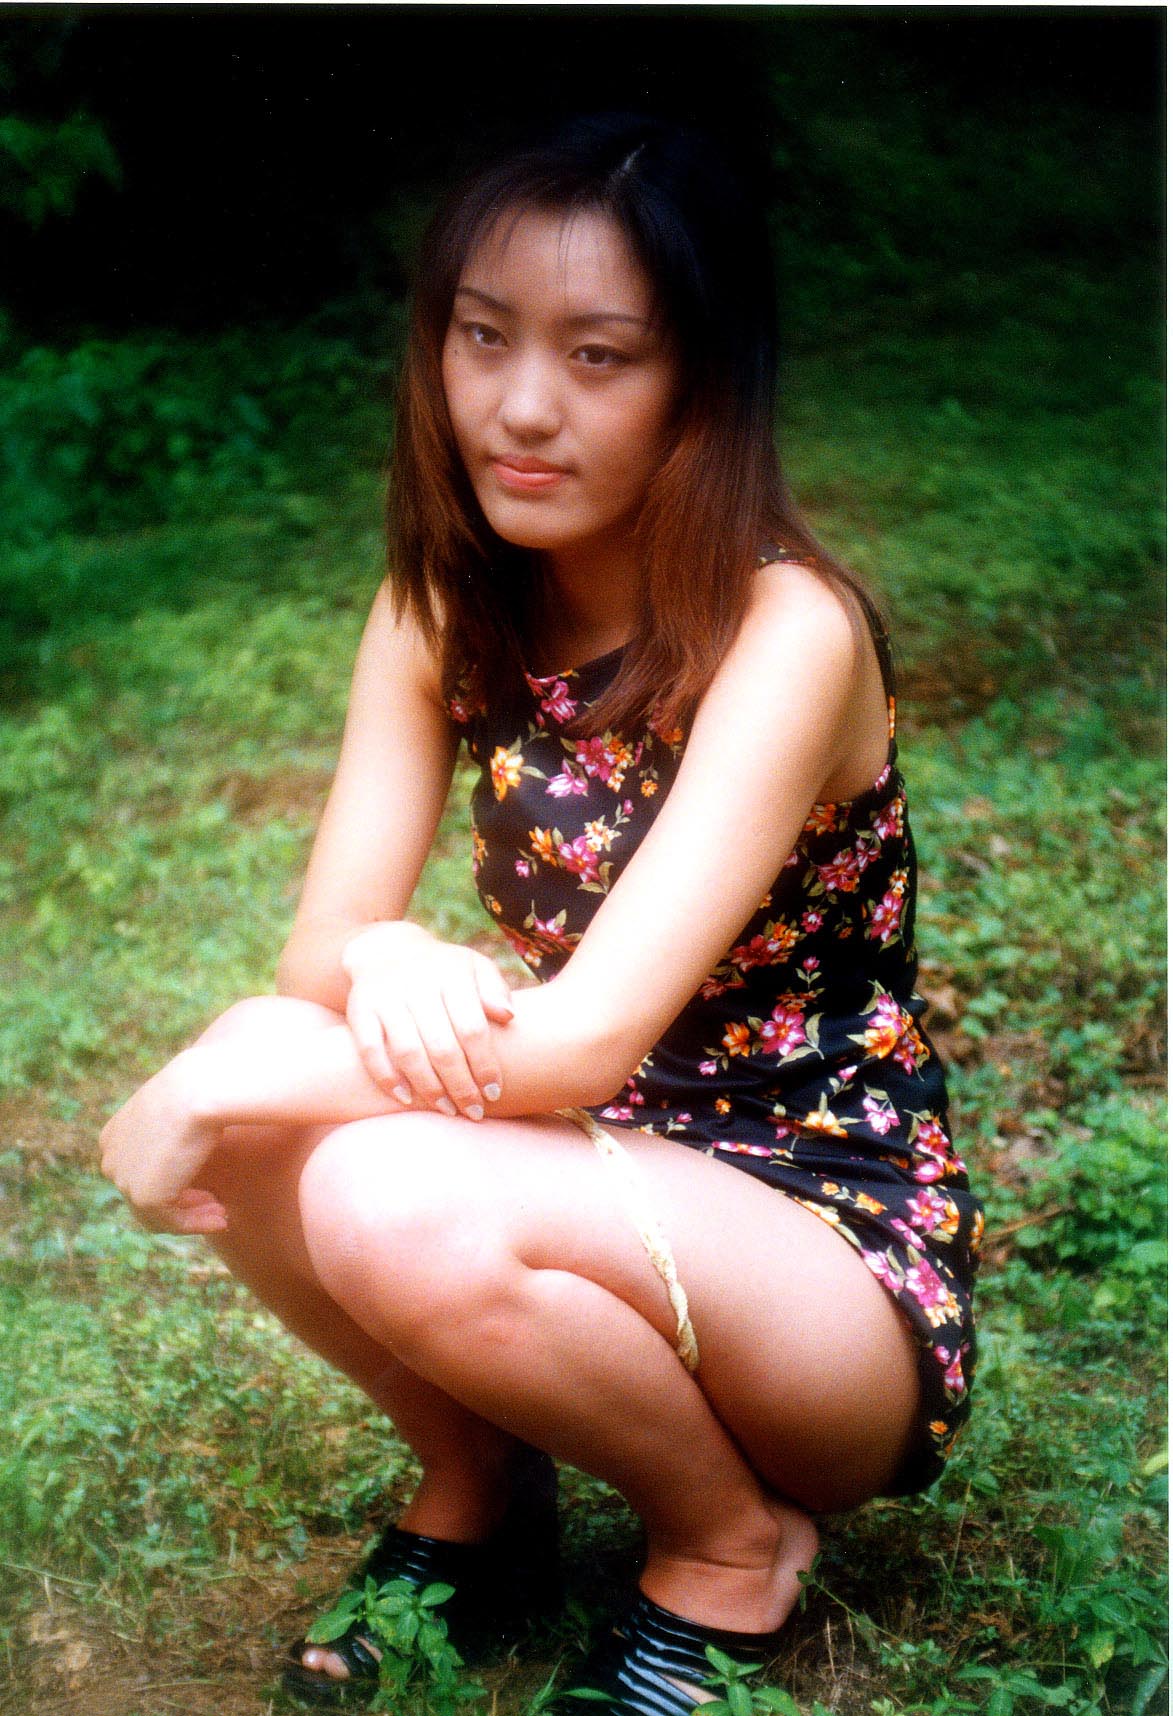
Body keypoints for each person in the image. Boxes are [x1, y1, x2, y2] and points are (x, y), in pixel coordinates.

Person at [99, 114, 983, 1712]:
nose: (519, 405)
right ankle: (483, 1492)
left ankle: (727, 1550)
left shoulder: (785, 628)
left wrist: (221, 1074)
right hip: (596, 1169)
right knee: (286, 1101)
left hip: (820, 1264)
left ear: (701, 378)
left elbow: (575, 1047)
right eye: (483, 336)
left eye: (597, 356)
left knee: (345, 1159)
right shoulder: (442, 605)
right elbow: (320, 957)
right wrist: (382, 952)